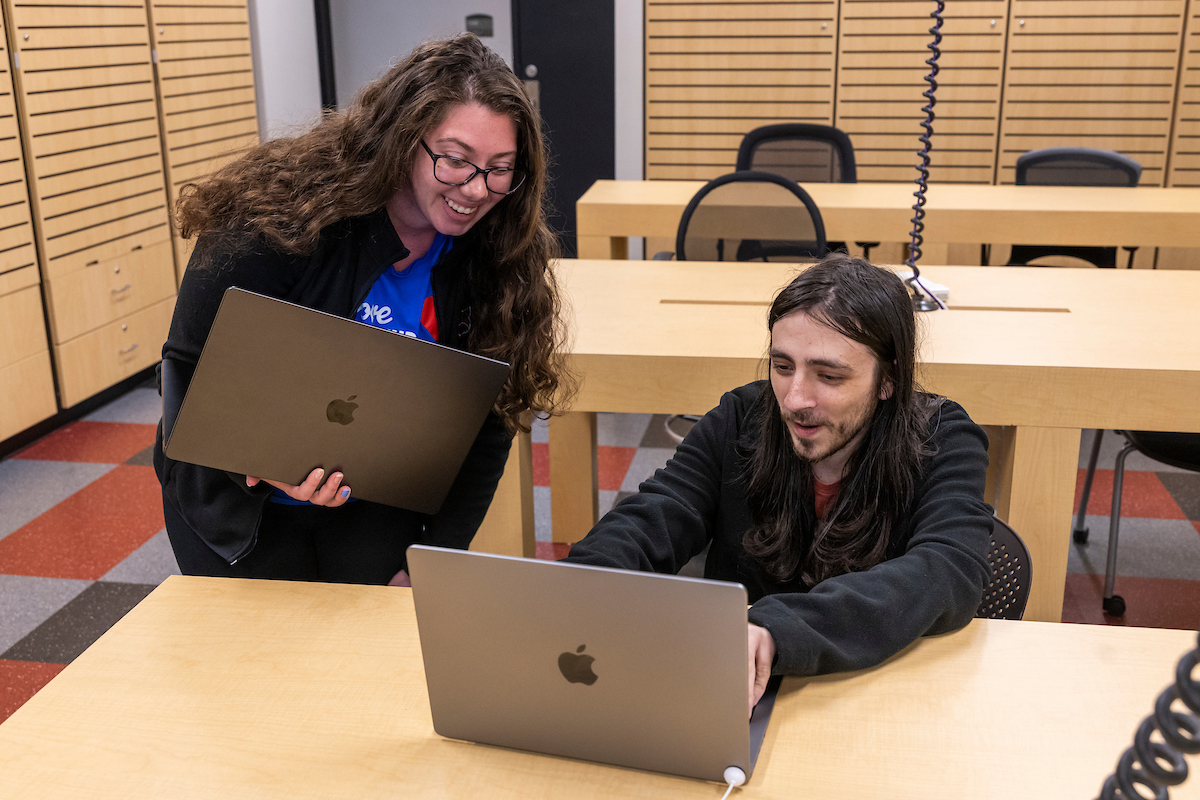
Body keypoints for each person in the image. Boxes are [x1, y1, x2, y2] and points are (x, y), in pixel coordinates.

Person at [154, 34, 570, 584]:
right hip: (239, 509)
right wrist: (260, 468)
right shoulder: (271, 225)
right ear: (403, 140)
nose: (476, 189)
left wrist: (426, 563)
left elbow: (484, 430)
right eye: (455, 161)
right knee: (262, 663)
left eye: (501, 168)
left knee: (371, 657)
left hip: (374, 503)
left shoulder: (497, 257)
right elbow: (188, 373)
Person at [565, 254, 993, 712]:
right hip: (734, 691)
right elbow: (657, 514)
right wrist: (580, 583)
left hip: (874, 698)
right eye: (783, 366)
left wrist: (775, 629)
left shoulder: (943, 439)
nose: (795, 399)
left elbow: (949, 570)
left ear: (888, 380)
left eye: (828, 376)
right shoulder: (741, 418)